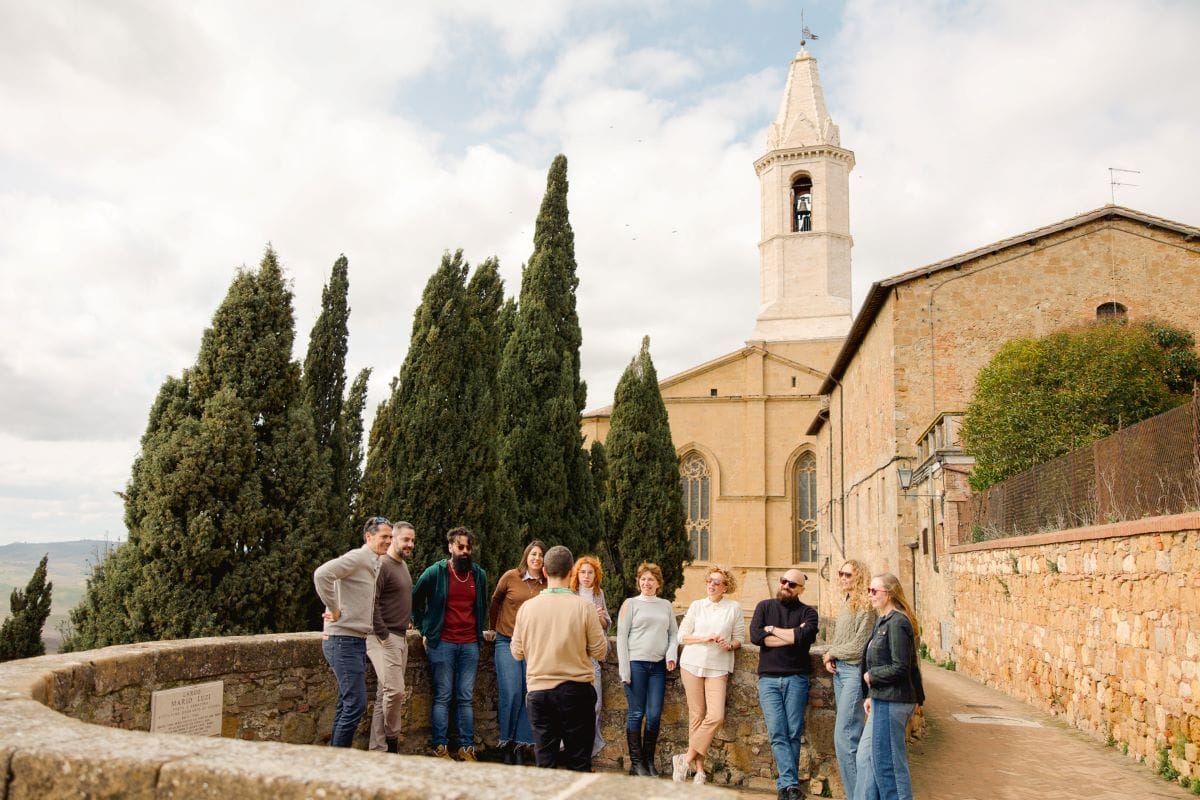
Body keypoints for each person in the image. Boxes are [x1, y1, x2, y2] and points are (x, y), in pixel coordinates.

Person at [511, 545, 609, 771]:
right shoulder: (584, 607)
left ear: (545, 571)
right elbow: (601, 651)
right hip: (576, 691)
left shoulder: (527, 608)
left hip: (539, 692)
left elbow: (516, 652)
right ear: (570, 573)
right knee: (579, 764)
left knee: (545, 764)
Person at [312, 516, 394, 747]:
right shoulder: (359, 557)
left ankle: (335, 757)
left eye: (390, 537)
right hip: (342, 640)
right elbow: (322, 575)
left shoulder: (375, 561)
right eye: (384, 537)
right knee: (356, 704)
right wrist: (335, 609)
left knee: (347, 703)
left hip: (355, 640)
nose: (389, 541)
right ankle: (338, 760)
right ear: (369, 537)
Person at [412, 526, 488, 761]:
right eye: (460, 546)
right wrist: (425, 628)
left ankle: (467, 748)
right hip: (442, 643)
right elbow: (414, 601)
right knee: (443, 696)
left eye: (468, 547)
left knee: (465, 697)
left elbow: (482, 607)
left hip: (469, 644)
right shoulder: (435, 573)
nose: (465, 551)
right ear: (450, 547)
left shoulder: (478, 575)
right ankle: (440, 747)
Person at [749, 568, 819, 800]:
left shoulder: (808, 612)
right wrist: (791, 636)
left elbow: (804, 638)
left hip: (797, 678)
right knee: (778, 732)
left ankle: (786, 787)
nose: (786, 586)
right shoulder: (764, 606)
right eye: (783, 581)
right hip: (768, 679)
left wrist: (773, 631)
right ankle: (790, 785)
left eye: (792, 584)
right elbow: (755, 637)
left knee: (793, 733)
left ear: (801, 589)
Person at [672, 566, 745, 785]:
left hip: (718, 666)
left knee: (715, 716)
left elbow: (739, 638)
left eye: (717, 582)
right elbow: (681, 636)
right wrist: (705, 638)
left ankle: (684, 759)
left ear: (726, 587)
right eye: (709, 580)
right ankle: (700, 770)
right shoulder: (696, 606)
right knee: (697, 715)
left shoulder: (733, 608)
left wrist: (728, 644)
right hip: (692, 664)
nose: (712, 585)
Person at [855, 572, 924, 800]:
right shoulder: (883, 620)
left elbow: (900, 667)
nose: (870, 595)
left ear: (890, 593)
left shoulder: (897, 622)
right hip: (882, 698)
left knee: (889, 764)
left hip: (893, 700)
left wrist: (871, 677)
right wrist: (870, 695)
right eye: (869, 590)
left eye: (875, 591)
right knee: (866, 758)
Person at [488, 540, 547, 765]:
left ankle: (520, 746)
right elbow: (495, 601)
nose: (536, 558)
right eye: (533, 554)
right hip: (507, 640)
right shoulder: (511, 577)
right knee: (511, 693)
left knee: (527, 694)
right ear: (526, 556)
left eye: (540, 555)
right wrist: (493, 628)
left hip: (534, 647)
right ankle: (506, 742)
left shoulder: (546, 584)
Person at [616, 562, 678, 777]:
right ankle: (636, 763)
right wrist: (625, 670)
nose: (646, 582)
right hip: (636, 664)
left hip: (658, 667)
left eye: (650, 579)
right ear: (638, 582)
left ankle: (648, 761)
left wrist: (671, 655)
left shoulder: (665, 605)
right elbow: (621, 637)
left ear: (658, 583)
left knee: (653, 715)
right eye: (643, 579)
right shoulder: (630, 604)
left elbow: (673, 635)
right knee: (636, 713)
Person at [821, 559, 876, 798]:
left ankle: (858, 795)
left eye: (848, 574)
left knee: (846, 737)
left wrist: (831, 652)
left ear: (859, 577)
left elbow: (858, 646)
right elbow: (842, 639)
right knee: (847, 736)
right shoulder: (848, 602)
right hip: (840, 672)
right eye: (841, 574)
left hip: (853, 672)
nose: (842, 578)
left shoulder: (866, 607)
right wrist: (832, 655)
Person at [366, 521, 415, 753]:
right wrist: (383, 634)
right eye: (405, 539)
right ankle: (392, 740)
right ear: (393, 538)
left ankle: (378, 749)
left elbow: (395, 598)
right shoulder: (383, 564)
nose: (410, 544)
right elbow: (371, 601)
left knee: (383, 694)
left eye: (412, 540)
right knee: (395, 692)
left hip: (401, 636)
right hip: (384, 638)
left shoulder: (402, 565)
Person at [569, 555, 612, 758]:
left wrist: (600, 618)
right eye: (583, 572)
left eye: (590, 572)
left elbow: (606, 623)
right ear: (577, 574)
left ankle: (586, 751)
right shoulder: (570, 594)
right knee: (572, 706)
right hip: (572, 656)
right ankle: (570, 750)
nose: (586, 576)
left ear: (596, 575)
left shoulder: (598, 594)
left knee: (595, 704)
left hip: (592, 657)